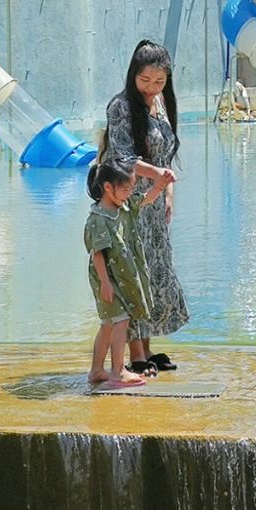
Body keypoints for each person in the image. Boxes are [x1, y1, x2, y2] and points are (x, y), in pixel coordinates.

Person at [103, 39, 189, 374]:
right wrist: (156, 175)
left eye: (159, 82)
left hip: (154, 205)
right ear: (132, 76)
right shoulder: (121, 106)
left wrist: (167, 192)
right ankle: (136, 356)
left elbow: (165, 155)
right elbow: (122, 156)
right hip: (131, 202)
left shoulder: (160, 105)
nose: (152, 88)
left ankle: (149, 348)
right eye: (145, 81)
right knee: (132, 274)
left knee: (156, 274)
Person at [83, 156, 153, 391]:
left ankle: (96, 370)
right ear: (108, 187)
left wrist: (161, 184)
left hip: (118, 277)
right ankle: (117, 370)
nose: (128, 194)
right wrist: (105, 283)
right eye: (124, 189)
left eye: (130, 189)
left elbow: (144, 200)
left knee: (108, 324)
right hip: (107, 279)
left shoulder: (120, 208)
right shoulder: (99, 219)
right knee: (120, 321)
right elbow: (98, 254)